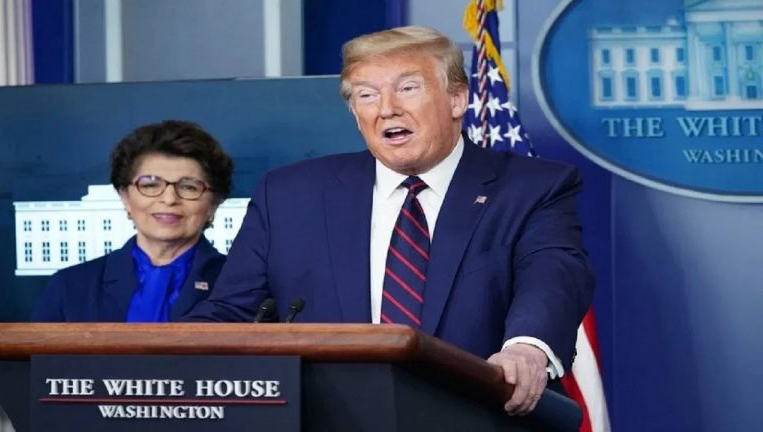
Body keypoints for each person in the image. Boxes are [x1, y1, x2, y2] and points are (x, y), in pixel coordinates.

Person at [187, 26, 594, 415]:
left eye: (407, 88)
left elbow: (552, 276)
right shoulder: (290, 194)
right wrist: (162, 357)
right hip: (328, 418)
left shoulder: (530, 188)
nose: (386, 109)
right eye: (366, 95)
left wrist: (526, 349)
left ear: (457, 99)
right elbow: (233, 313)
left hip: (478, 415)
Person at [31, 120, 234, 322]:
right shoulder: (70, 286)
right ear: (125, 198)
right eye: (150, 185)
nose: (169, 199)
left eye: (189, 187)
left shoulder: (238, 286)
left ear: (214, 204)